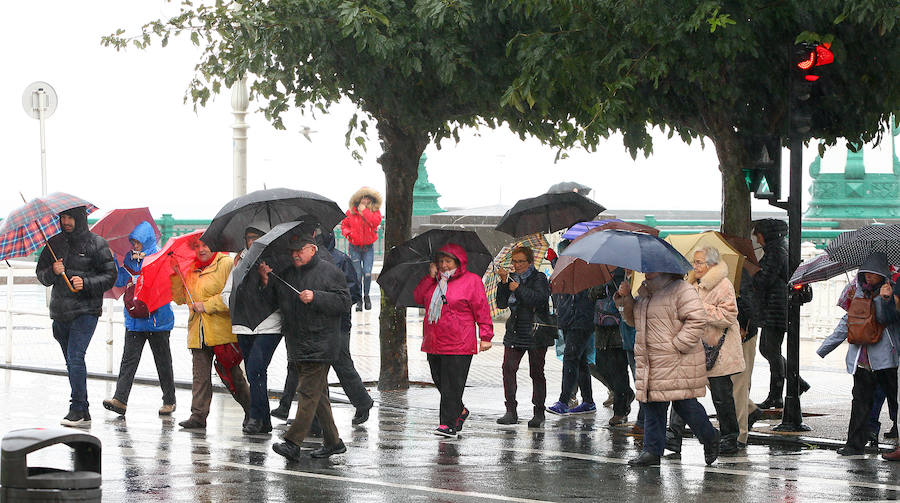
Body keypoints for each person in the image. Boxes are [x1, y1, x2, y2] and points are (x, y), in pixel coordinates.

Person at [615, 271, 720, 467]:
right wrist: (626, 298)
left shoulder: (682, 290)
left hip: (677, 359)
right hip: (651, 361)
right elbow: (632, 320)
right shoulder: (646, 292)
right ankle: (652, 450)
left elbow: (697, 320)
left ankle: (710, 437)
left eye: (651, 266)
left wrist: (677, 345)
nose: (646, 270)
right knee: (652, 404)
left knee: (684, 405)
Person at [271, 230, 374, 426]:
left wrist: (318, 299)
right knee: (301, 369)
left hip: (336, 325)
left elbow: (349, 295)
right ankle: (300, 414)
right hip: (306, 329)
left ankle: (362, 402)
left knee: (341, 365)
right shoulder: (297, 266)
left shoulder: (338, 261)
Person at [265, 234, 352, 460]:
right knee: (318, 395)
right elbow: (275, 302)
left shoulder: (330, 271)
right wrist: (266, 280)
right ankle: (334, 442)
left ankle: (293, 442)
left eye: (299, 250)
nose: (295, 255)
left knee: (306, 392)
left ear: (312, 249)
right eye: (292, 251)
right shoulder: (288, 273)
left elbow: (343, 302)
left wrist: (316, 297)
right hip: (297, 343)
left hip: (321, 344)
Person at [36, 206, 117, 426]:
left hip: (86, 310)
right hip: (60, 312)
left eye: (70, 217)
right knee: (71, 362)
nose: (66, 221)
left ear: (80, 218)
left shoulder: (97, 243)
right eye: (62, 217)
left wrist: (86, 283)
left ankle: (78, 408)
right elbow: (41, 275)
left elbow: (110, 276)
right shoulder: (53, 243)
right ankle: (84, 410)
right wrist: (52, 270)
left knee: (75, 357)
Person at [817, 252, 899, 456]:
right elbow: (847, 323)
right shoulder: (858, 293)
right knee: (860, 401)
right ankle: (854, 444)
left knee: (895, 402)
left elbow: (884, 318)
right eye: (865, 274)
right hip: (862, 360)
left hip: (888, 359)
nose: (868, 278)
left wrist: (885, 298)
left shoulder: (891, 293)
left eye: (873, 274)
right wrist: (824, 348)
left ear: (882, 274)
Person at [666, 247, 745, 455]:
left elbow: (728, 316)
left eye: (699, 262)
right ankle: (674, 436)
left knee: (721, 396)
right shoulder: (691, 284)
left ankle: (729, 437)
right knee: (683, 392)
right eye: (694, 262)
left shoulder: (723, 285)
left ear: (711, 264)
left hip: (718, 350)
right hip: (694, 348)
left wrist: (700, 309)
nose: (695, 266)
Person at [413, 243, 494, 439]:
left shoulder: (472, 281)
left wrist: (485, 335)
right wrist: (429, 278)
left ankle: (447, 424)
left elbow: (481, 308)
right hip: (434, 341)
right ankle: (460, 411)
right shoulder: (434, 281)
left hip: (459, 342)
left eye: (448, 261)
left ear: (458, 262)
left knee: (452, 385)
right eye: (441, 261)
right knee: (440, 381)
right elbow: (418, 298)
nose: (444, 265)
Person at [170, 239, 251, 430]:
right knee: (200, 376)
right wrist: (176, 275)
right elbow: (181, 298)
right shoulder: (190, 268)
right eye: (196, 247)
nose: (201, 250)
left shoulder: (226, 264)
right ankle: (198, 415)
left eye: (205, 245)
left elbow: (232, 296)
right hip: (198, 331)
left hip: (221, 331)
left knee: (232, 375)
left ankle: (252, 411)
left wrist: (206, 305)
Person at [102, 221, 176, 417]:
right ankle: (120, 399)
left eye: (137, 242)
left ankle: (169, 400)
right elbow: (118, 282)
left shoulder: (160, 257)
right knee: (128, 360)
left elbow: (167, 285)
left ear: (146, 240)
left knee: (163, 361)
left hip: (157, 320)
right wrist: (115, 265)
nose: (134, 246)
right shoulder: (129, 258)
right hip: (134, 318)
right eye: (133, 242)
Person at [220, 225, 283, 435]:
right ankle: (263, 420)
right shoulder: (239, 263)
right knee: (254, 372)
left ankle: (256, 416)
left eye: (256, 238)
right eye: (249, 238)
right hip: (244, 325)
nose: (252, 242)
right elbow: (226, 292)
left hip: (269, 325)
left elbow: (279, 294)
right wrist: (237, 303)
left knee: (256, 368)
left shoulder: (275, 260)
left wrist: (266, 279)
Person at [752, 219, 809, 409]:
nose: (756, 238)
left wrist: (749, 269)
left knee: (770, 350)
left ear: (766, 235)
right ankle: (797, 383)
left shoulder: (775, 252)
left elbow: (764, 279)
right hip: (774, 308)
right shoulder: (778, 250)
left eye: (758, 234)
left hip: (775, 308)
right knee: (768, 349)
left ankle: (777, 395)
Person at [495, 246, 551, 427]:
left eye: (521, 261)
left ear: (530, 262)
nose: (517, 265)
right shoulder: (511, 278)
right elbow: (501, 303)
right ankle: (510, 410)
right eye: (514, 261)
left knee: (536, 372)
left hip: (535, 332)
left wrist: (518, 289)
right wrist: (503, 283)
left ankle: (539, 412)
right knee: (508, 369)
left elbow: (539, 300)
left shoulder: (539, 278)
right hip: (515, 330)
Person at [548, 241, 597, 416]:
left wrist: (556, 262)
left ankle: (564, 400)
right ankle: (589, 401)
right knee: (580, 361)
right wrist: (555, 263)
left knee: (570, 357)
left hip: (582, 319)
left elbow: (575, 278)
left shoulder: (588, 264)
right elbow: (563, 280)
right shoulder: (567, 264)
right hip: (568, 317)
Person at [590, 269, 634, 426]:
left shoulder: (624, 275)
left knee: (619, 371)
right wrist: (602, 286)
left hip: (619, 329)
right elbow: (591, 295)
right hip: (601, 328)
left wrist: (622, 290)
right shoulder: (599, 274)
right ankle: (626, 393)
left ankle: (620, 410)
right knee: (601, 366)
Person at [734, 265, 763, 448]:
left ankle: (739, 434)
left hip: (741, 334)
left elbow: (749, 302)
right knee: (729, 384)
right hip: (723, 336)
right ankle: (750, 409)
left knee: (739, 384)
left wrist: (743, 326)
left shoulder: (735, 272)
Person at [340, 187, 382, 311]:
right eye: (364, 197)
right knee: (357, 275)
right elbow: (344, 225)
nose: (366, 200)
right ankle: (359, 299)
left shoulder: (374, 211)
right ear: (359, 198)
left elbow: (375, 222)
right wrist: (350, 234)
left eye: (368, 197)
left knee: (367, 273)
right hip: (354, 247)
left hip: (368, 247)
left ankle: (367, 296)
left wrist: (365, 212)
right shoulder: (351, 212)